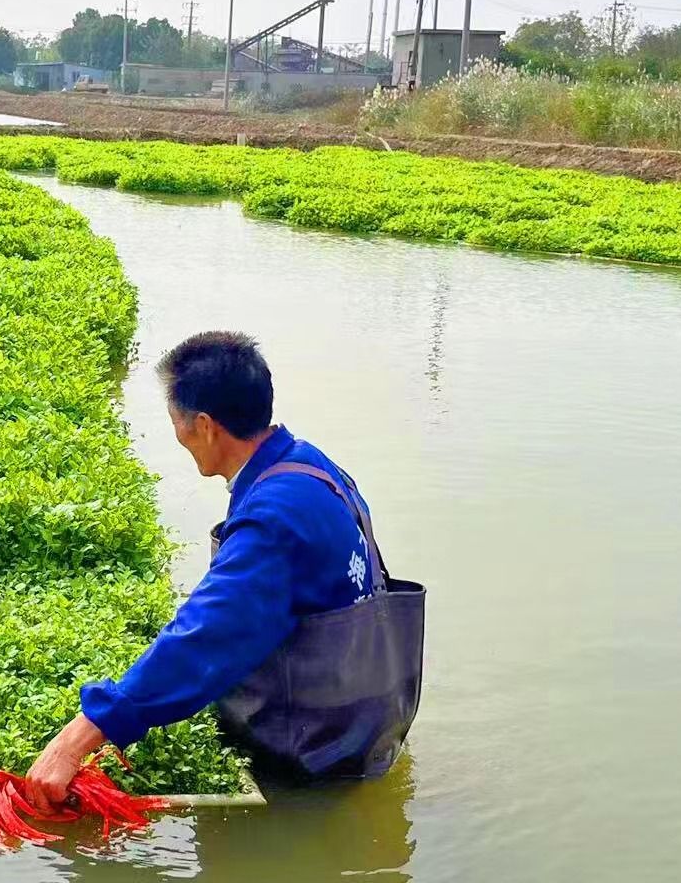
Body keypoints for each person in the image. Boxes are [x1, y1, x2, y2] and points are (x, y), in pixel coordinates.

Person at [27, 331, 424, 811]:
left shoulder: (275, 517)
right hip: (366, 723)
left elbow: (207, 637)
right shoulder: (309, 463)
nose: (177, 436)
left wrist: (77, 739)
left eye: (175, 421)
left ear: (205, 426)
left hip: (316, 757)